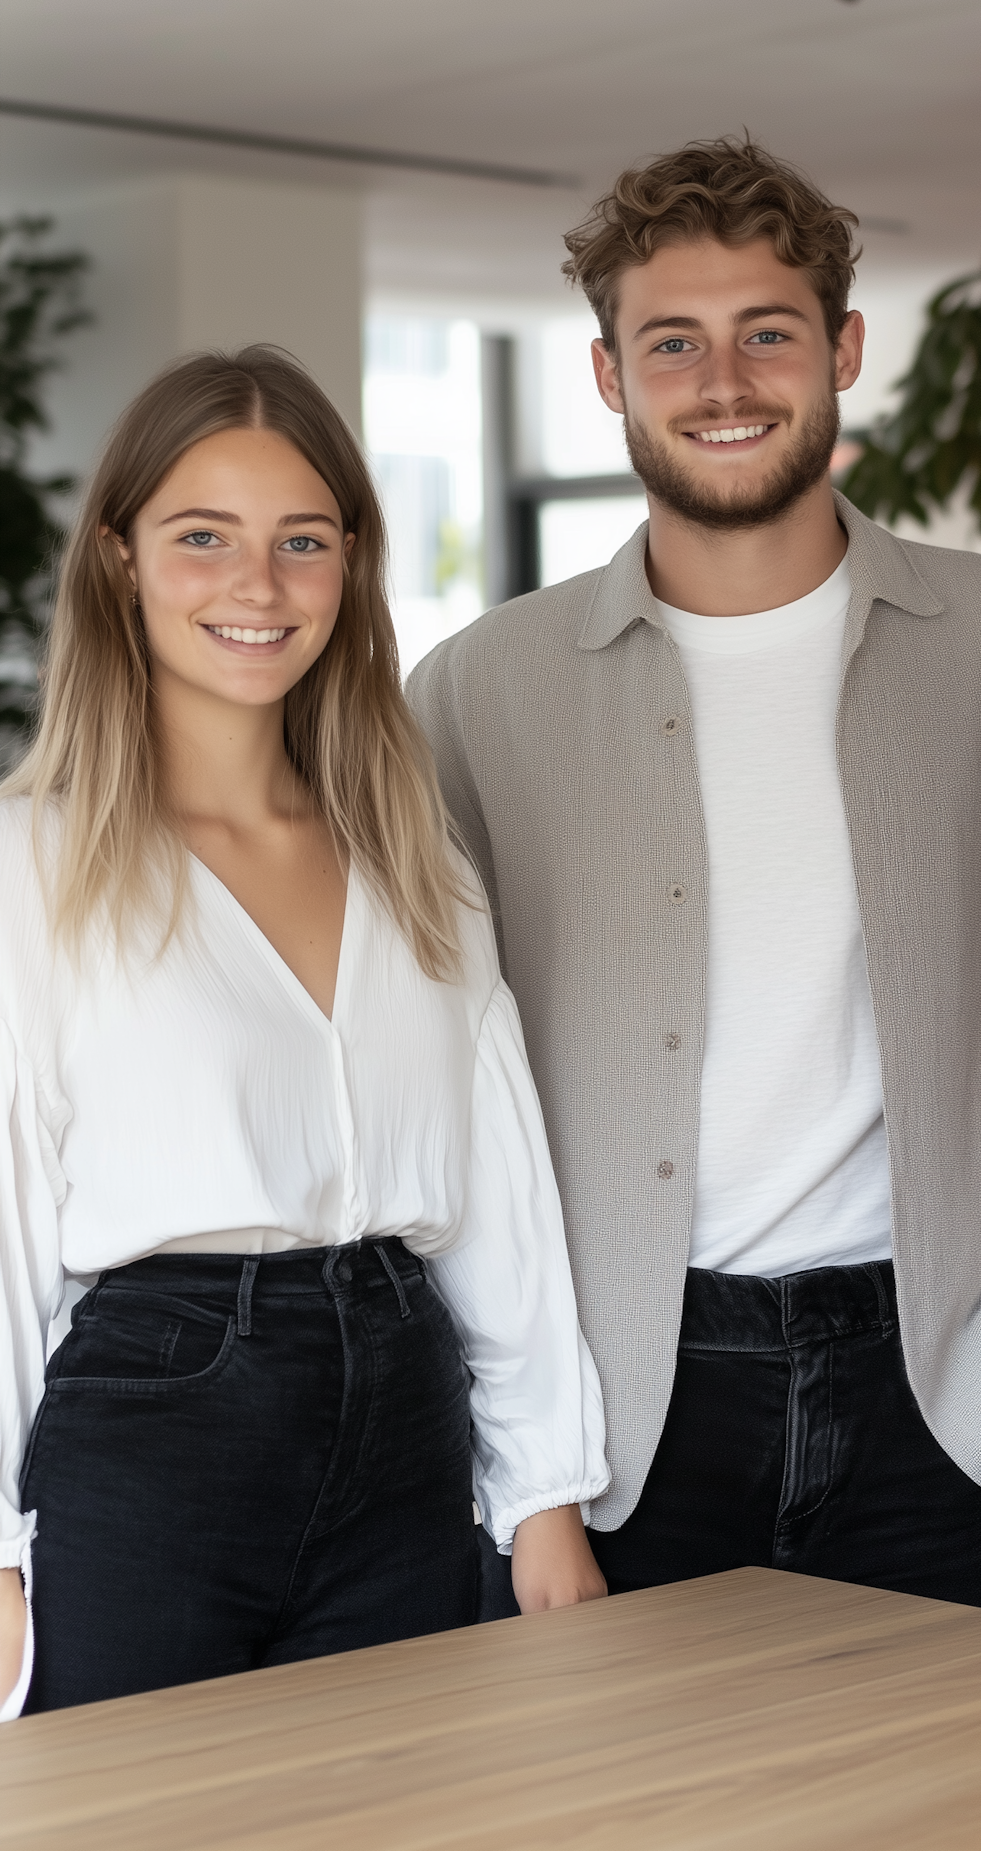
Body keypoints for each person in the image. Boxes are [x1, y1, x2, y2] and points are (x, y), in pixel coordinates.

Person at [408, 136, 981, 1612]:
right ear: (609, 375)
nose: (724, 381)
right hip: (616, 1415)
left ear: (843, 347)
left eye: (767, 333)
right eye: (674, 342)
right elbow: (436, 1091)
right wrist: (519, 1451)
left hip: (937, 1388)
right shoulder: (479, 696)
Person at [0, 347, 608, 1718]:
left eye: (303, 541)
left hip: (403, 1407)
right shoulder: (29, 866)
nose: (257, 586)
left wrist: (544, 1496)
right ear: (118, 560)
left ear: (351, 566)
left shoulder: (413, 859)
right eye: (202, 537)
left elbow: (500, 1198)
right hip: (151, 1426)